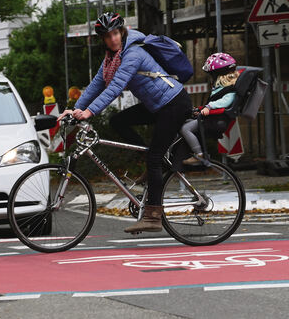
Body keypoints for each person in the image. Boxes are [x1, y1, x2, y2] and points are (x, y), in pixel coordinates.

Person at [58, 12, 192, 233]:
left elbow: (115, 87)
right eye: (107, 36)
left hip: (174, 103)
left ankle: (153, 217)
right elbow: (96, 84)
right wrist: (74, 109)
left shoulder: (133, 53)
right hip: (157, 105)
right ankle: (151, 165)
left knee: (155, 157)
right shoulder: (112, 58)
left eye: (115, 33)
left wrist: (89, 112)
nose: (112, 39)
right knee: (118, 121)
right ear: (103, 39)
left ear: (122, 31)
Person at [180, 53, 240, 165]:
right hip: (212, 118)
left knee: (185, 129)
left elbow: (226, 101)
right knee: (186, 122)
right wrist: (201, 109)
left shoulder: (230, 88)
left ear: (217, 74)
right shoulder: (224, 86)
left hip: (215, 121)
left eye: (211, 75)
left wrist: (209, 107)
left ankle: (199, 155)